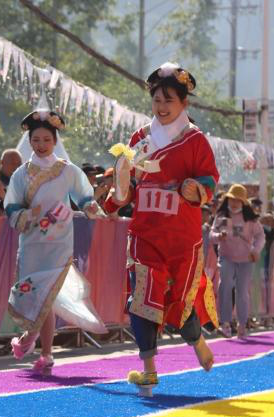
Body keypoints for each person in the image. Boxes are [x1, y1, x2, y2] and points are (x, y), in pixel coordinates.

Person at [105, 62, 219, 396]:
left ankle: (197, 341)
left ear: (185, 103)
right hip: (145, 233)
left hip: (182, 238)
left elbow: (210, 180)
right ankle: (149, 370)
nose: (162, 106)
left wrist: (194, 188)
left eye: (169, 100)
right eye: (157, 99)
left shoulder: (196, 140)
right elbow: (127, 183)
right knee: (141, 298)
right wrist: (116, 192)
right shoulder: (139, 138)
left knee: (176, 303)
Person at [4, 110, 104, 374]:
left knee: (48, 296)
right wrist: (28, 215)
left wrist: (91, 206)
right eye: (36, 139)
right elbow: (11, 207)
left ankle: (43, 350)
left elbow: (84, 196)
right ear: (29, 141)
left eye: (46, 139)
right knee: (36, 296)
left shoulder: (68, 171)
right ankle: (34, 342)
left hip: (59, 243)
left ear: (55, 140)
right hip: (32, 243)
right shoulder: (21, 175)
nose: (41, 144)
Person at [211, 184, 265, 339]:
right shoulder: (221, 216)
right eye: (231, 199)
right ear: (227, 199)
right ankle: (226, 324)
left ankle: (242, 324)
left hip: (245, 260)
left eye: (237, 200)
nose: (234, 203)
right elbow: (211, 235)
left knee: (242, 292)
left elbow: (261, 236)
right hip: (226, 257)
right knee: (225, 286)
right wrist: (218, 236)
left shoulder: (250, 219)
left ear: (243, 203)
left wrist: (256, 250)